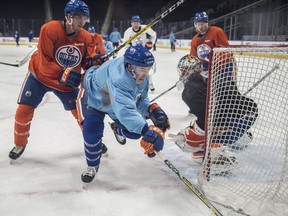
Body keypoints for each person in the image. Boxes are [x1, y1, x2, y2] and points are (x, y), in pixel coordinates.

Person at [8, 0, 107, 161]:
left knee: (83, 114)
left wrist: (95, 62)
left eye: (85, 18)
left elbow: (86, 62)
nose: (82, 22)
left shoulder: (86, 37)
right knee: (23, 111)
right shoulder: (49, 29)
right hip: (39, 77)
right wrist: (68, 73)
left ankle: (93, 141)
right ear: (68, 16)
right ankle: (20, 144)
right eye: (79, 17)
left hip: (66, 83)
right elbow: (44, 63)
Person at [77, 44, 170, 183]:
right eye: (142, 69)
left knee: (134, 131)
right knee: (92, 130)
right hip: (93, 98)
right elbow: (125, 111)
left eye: (148, 69)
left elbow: (139, 100)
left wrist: (151, 111)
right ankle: (92, 166)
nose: (146, 73)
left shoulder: (141, 77)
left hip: (114, 102)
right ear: (130, 67)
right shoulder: (119, 77)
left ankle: (117, 129)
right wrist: (147, 130)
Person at [173, 11, 258, 158]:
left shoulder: (216, 32)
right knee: (207, 96)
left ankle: (226, 129)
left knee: (223, 96)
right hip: (207, 71)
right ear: (195, 25)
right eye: (199, 24)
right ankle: (211, 117)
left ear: (207, 23)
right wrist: (193, 72)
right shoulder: (195, 40)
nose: (202, 26)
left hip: (223, 68)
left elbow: (226, 51)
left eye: (204, 23)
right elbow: (193, 58)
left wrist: (215, 65)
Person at [123, 15, 157, 92]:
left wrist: (151, 42)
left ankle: (150, 83)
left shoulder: (145, 28)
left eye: (137, 22)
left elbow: (154, 34)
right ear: (131, 23)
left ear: (139, 23)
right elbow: (126, 44)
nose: (136, 24)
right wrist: (130, 51)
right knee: (133, 70)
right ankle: (132, 84)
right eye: (134, 22)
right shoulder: (128, 32)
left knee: (147, 68)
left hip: (144, 52)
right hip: (135, 54)